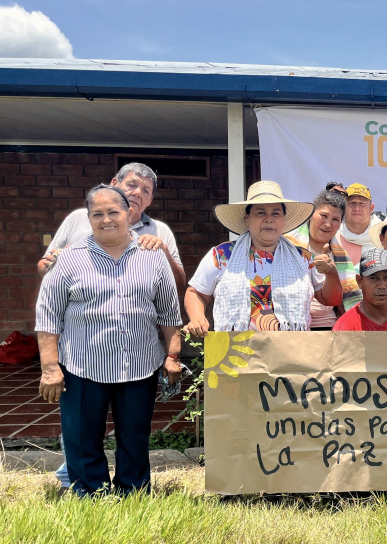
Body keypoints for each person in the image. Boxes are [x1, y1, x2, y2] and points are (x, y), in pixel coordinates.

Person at [38, 162, 185, 491]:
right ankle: (90, 494)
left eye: (114, 212)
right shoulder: (70, 259)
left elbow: (168, 312)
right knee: (81, 436)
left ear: (127, 213)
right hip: (81, 365)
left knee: (135, 436)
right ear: (88, 219)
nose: (106, 219)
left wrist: (172, 355)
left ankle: (133, 492)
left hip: (139, 363)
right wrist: (50, 367)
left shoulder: (152, 256)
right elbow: (47, 315)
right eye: (98, 214)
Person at [184, 181, 342, 335]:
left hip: (291, 353)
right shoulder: (222, 255)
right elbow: (195, 292)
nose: (269, 219)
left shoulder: (303, 258)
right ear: (247, 219)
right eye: (261, 212)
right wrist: (197, 317)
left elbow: (330, 300)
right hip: (234, 353)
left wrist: (331, 272)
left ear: (283, 220)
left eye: (276, 213)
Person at [39, 162, 185, 293]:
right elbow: (43, 266)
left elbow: (178, 285)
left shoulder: (160, 231)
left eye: (146, 190)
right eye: (132, 185)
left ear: (150, 200)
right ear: (115, 184)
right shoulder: (78, 218)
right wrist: (51, 265)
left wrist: (164, 252)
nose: (137, 193)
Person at [286, 186, 361, 330]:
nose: (328, 224)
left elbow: (342, 302)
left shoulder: (341, 257)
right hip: (292, 327)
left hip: (329, 329)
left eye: (335, 219)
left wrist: (331, 271)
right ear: (311, 213)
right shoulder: (287, 246)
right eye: (323, 216)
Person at [336, 183, 381, 265]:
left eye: (362, 203)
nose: (356, 208)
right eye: (352, 203)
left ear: (371, 208)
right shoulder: (333, 234)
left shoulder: (383, 235)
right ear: (343, 207)